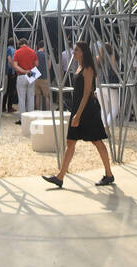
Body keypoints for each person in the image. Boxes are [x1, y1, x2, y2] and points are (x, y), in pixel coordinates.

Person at [42, 40, 114, 188]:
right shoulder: (79, 67)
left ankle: (109, 174)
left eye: (76, 50)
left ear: (83, 52)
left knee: (97, 142)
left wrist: (78, 115)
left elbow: (87, 92)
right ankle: (60, 177)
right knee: (71, 143)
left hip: (87, 111)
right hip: (79, 110)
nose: (73, 52)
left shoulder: (87, 68)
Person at [13, 37, 39, 121]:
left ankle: (22, 119)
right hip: (32, 74)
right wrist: (30, 71)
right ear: (26, 43)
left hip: (21, 75)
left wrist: (24, 71)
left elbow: (15, 66)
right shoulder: (33, 51)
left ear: (19, 44)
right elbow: (36, 64)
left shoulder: (17, 52)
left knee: (21, 98)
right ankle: (31, 117)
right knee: (31, 97)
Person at [34, 41, 51, 109]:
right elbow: (49, 67)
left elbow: (33, 65)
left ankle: (38, 110)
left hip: (36, 77)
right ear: (44, 46)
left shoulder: (34, 54)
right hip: (45, 77)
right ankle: (48, 111)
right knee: (46, 96)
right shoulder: (47, 55)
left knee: (37, 96)